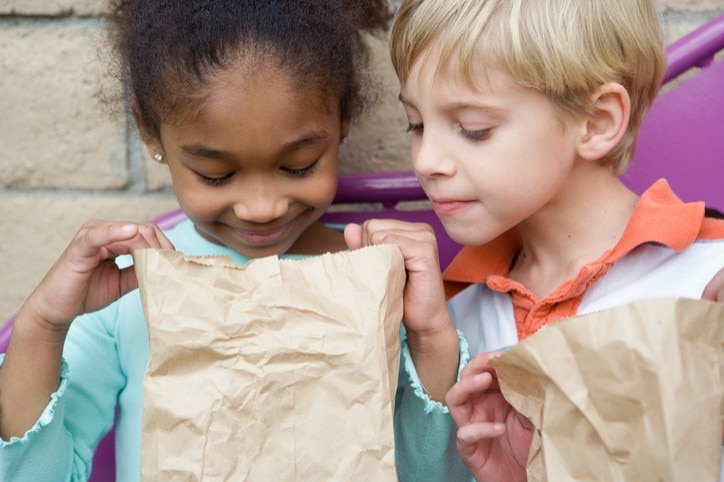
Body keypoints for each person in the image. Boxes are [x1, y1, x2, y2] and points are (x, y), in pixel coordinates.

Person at [0, 1, 459, 480]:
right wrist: (44, 324)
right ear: (149, 130)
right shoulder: (127, 294)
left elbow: (435, 473)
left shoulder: (377, 281)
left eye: (299, 165)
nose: (262, 207)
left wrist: (429, 336)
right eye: (216, 175)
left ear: (344, 114)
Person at [345, 0, 724, 480]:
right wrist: (433, 345)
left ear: (598, 121)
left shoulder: (709, 278)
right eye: (416, 125)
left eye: (473, 129)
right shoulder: (452, 312)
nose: (426, 160)